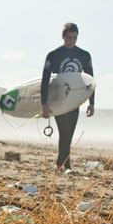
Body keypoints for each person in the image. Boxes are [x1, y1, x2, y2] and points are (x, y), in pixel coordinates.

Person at [40, 23, 95, 172]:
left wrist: (91, 103)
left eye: (75, 38)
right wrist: (44, 103)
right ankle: (63, 164)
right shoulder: (53, 55)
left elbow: (90, 81)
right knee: (64, 132)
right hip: (58, 100)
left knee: (69, 134)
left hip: (74, 101)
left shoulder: (84, 55)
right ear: (63, 36)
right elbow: (45, 80)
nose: (72, 41)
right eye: (69, 37)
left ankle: (64, 164)